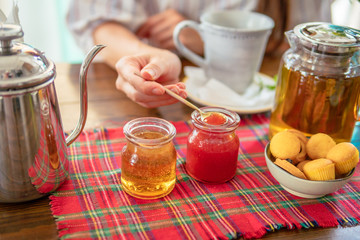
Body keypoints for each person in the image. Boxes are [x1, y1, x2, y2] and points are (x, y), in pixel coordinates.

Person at [66, 0, 332, 108]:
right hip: (156, 93)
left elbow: (308, 36)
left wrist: (206, 41)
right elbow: (98, 21)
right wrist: (142, 54)